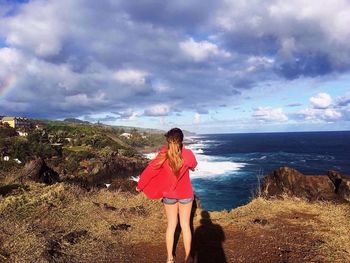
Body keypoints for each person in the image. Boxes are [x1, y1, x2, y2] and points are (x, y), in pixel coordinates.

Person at [136, 127, 198, 263]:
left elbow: (150, 170)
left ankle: (170, 258)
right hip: (186, 195)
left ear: (168, 141)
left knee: (171, 226)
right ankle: (189, 258)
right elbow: (194, 165)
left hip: (169, 195)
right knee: (186, 226)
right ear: (181, 141)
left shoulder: (163, 154)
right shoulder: (188, 154)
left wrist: (140, 186)